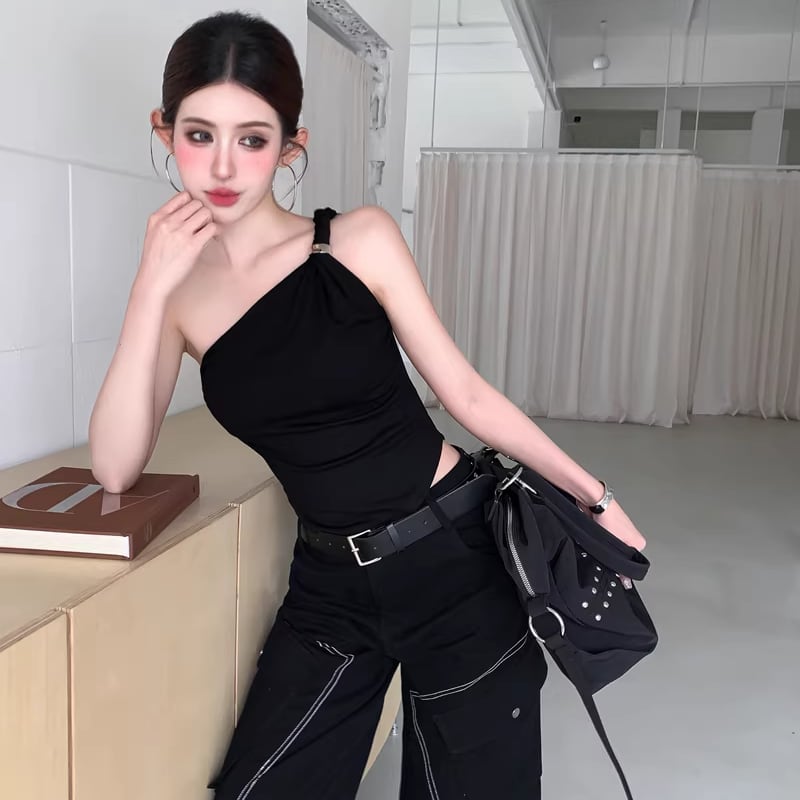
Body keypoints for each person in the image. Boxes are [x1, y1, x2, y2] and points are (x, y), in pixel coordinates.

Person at [89, 11, 646, 800]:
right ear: (165, 131)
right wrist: (149, 287)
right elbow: (115, 467)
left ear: (291, 147)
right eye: (199, 135)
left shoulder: (357, 240)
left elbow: (465, 393)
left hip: (454, 561)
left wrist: (597, 500)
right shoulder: (177, 298)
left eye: (253, 139)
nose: (223, 165)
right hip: (329, 583)